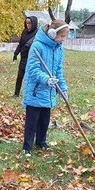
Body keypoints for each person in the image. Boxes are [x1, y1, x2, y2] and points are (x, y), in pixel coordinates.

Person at [21, 19, 69, 156]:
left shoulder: (58, 48)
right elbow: (32, 69)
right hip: (36, 90)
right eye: (62, 36)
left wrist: (63, 88)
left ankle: (41, 142)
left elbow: (58, 70)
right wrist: (46, 79)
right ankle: (27, 147)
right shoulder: (37, 46)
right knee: (32, 121)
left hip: (48, 92)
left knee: (44, 120)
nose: (63, 40)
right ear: (53, 34)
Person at [13, 15, 38, 97]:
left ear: (34, 23)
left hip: (32, 58)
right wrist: (16, 53)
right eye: (27, 23)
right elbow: (20, 44)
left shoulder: (38, 33)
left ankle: (31, 94)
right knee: (20, 75)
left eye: (30, 23)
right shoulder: (24, 32)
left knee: (31, 78)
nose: (28, 25)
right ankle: (16, 93)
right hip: (23, 57)